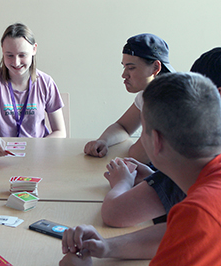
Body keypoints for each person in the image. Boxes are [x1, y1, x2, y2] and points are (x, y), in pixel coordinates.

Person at [60, 72, 221, 265]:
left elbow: (193, 226)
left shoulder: (200, 214)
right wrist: (107, 246)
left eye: (143, 130)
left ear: (156, 141)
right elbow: (176, 233)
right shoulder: (196, 213)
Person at [101, 47, 221, 228]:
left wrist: (123, 182)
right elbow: (183, 226)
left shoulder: (195, 155)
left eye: (131, 67)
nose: (124, 75)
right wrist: (154, 178)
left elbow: (114, 213)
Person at [0, 23, 66, 156]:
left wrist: (36, 148)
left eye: (22, 55)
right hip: (2, 156)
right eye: (9, 55)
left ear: (34, 49)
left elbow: (60, 132)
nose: (16, 62)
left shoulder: (46, 82)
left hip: (38, 156)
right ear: (2, 51)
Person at [84, 33, 175, 164]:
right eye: (124, 66)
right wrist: (103, 141)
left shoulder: (168, 101)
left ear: (155, 67)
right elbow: (123, 126)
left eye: (131, 68)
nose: (124, 75)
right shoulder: (146, 95)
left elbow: (138, 155)